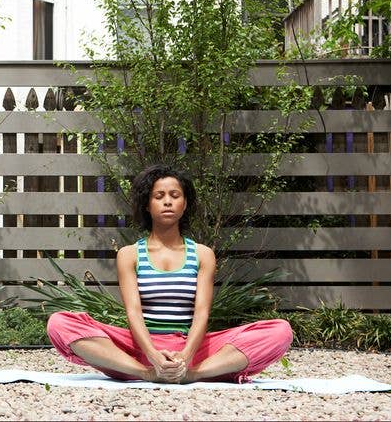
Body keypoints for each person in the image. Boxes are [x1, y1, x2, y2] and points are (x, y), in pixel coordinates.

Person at [47, 164, 293, 383]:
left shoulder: (202, 254)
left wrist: (186, 358)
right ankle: (145, 373)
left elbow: (202, 312)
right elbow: (133, 312)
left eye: (175, 196)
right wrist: (152, 357)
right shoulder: (129, 254)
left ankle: (193, 374)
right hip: (140, 349)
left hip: (193, 349)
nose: (167, 201)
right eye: (159, 196)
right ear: (147, 204)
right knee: (59, 323)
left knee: (280, 330)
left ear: (184, 204)